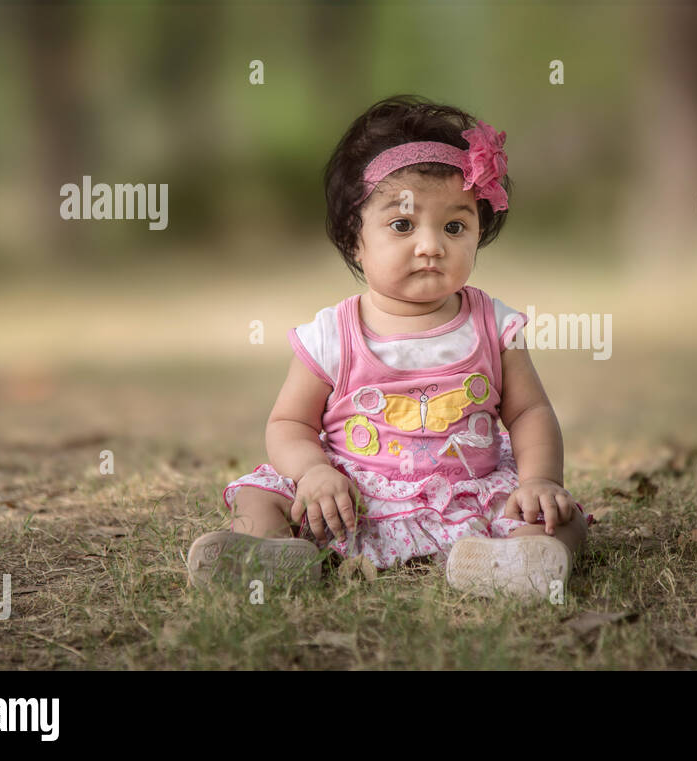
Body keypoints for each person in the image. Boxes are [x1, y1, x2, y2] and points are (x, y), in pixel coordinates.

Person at [187, 95, 591, 600]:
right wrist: (312, 471)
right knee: (261, 492)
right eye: (403, 225)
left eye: (455, 226)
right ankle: (269, 553)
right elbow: (289, 424)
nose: (431, 245)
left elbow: (530, 410)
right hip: (349, 495)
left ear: (478, 231)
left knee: (559, 514)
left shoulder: (494, 324)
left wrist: (539, 480)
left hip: (465, 490)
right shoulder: (333, 333)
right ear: (355, 240)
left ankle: (517, 562)